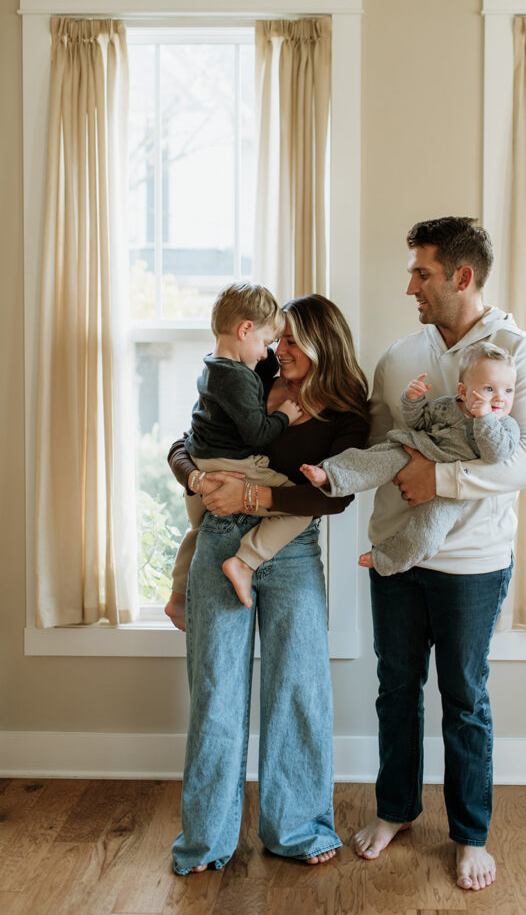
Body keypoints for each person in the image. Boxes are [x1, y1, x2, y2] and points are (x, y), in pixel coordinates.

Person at [352, 217, 526, 892]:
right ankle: (395, 811)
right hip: (398, 558)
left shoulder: (519, 352)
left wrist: (441, 480)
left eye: (422, 273)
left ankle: (470, 834)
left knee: (464, 698)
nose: (410, 284)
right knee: (395, 689)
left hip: (474, 563)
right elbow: (378, 449)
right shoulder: (398, 357)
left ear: (461, 277)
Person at [168, 294, 370, 874]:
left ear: (322, 343)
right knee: (216, 694)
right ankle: (205, 842)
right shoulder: (250, 372)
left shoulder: (348, 415)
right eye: (277, 340)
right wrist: (198, 478)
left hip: (292, 550)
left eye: (292, 341)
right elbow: (185, 442)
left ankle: (299, 828)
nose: (279, 350)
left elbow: (336, 494)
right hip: (221, 537)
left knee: (299, 691)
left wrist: (256, 495)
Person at [164, 281, 313, 631]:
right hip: (229, 468)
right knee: (301, 508)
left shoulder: (212, 369)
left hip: (201, 468)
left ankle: (179, 596)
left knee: (200, 530)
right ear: (245, 329)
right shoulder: (237, 379)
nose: (267, 354)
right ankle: (245, 561)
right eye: (266, 343)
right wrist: (284, 417)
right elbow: (257, 433)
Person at [301, 342, 519, 576]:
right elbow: (418, 422)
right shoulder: (447, 406)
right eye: (489, 389)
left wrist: (484, 418)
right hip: (416, 449)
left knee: (428, 533)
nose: (499, 398)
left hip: (449, 491)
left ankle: (387, 559)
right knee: (375, 459)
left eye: (508, 391)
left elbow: (496, 454)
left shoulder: (505, 425)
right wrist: (413, 400)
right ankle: (330, 475)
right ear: (463, 392)